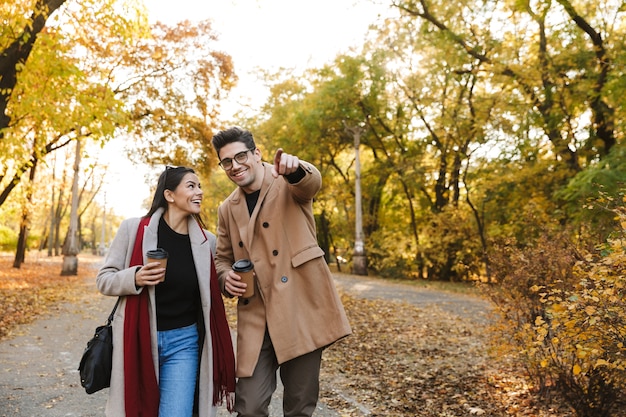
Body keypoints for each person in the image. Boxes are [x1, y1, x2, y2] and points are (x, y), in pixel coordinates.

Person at [210, 127, 352, 417]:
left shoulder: (286, 181)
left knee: (300, 406)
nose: (235, 166)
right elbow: (221, 259)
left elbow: (310, 183)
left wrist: (296, 168)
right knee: (248, 406)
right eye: (227, 161)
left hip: (299, 308)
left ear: (256, 154)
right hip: (257, 317)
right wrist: (226, 278)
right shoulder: (227, 208)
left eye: (241, 156)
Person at [96, 166, 235, 417]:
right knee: (137, 409)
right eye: (191, 186)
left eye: (199, 186)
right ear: (170, 195)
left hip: (184, 342)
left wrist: (230, 281)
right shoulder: (133, 230)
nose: (199, 192)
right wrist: (135, 276)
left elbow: (216, 283)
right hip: (138, 337)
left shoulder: (207, 242)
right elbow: (104, 280)